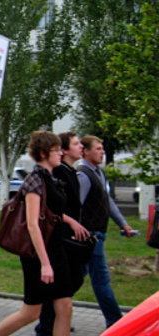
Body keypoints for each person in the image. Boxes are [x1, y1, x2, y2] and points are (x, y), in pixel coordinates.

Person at [0, 131, 74, 336]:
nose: (61, 153)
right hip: (38, 253)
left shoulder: (51, 178)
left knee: (65, 307)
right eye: (56, 150)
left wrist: (73, 223)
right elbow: (32, 224)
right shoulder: (35, 180)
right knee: (30, 312)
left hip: (56, 247)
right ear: (44, 153)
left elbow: (54, 213)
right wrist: (45, 263)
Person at [35, 132, 90, 336]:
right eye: (76, 144)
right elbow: (44, 211)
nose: (81, 147)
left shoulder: (68, 172)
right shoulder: (51, 175)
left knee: (66, 294)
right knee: (37, 307)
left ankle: (54, 323)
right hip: (57, 239)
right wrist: (70, 221)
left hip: (66, 238)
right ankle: (46, 326)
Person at [78, 135, 134, 328]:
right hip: (89, 237)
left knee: (74, 280)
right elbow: (76, 206)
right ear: (85, 151)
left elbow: (107, 201)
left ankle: (52, 314)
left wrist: (122, 223)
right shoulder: (83, 174)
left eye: (103, 148)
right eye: (98, 148)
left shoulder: (99, 173)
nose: (102, 152)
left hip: (97, 234)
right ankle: (117, 324)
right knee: (101, 280)